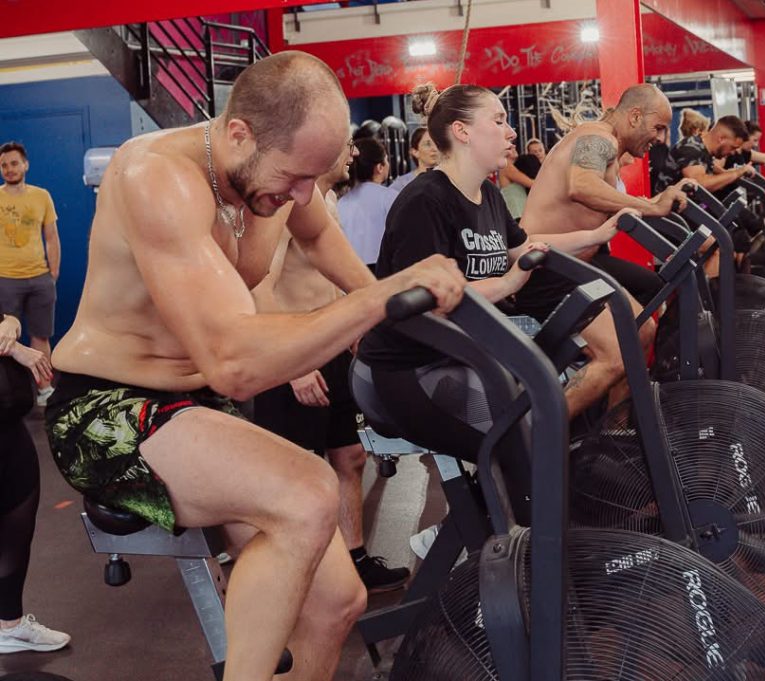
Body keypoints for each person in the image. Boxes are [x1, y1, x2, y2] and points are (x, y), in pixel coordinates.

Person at [43, 51, 466, 681]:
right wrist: (379, 297)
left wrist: (395, 314)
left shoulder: (276, 177)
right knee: (309, 490)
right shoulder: (158, 178)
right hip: (105, 410)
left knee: (337, 601)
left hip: (193, 408)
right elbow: (235, 365)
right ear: (238, 131)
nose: (304, 196)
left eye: (313, 181)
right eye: (296, 177)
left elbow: (320, 236)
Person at [357, 81, 637, 447]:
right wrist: (506, 284)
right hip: (410, 367)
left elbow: (524, 247)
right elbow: (427, 299)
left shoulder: (488, 193)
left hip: (463, 356)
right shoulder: (424, 200)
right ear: (462, 132)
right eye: (500, 121)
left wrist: (597, 235)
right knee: (519, 444)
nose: (512, 132)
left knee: (556, 426)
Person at [252, 147, 409, 594]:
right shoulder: (281, 209)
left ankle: (353, 558)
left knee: (350, 456)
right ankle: (302, 577)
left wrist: (355, 323)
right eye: (345, 144)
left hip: (333, 345)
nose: (355, 152)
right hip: (297, 354)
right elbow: (261, 288)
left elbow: (331, 274)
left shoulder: (327, 201)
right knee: (298, 474)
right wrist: (294, 364)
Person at [518, 84, 692, 413]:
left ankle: (613, 439)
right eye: (657, 128)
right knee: (614, 358)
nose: (658, 138)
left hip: (576, 266)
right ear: (635, 116)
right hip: (545, 270)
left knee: (642, 332)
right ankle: (531, 445)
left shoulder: (606, 144)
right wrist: (653, 206)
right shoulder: (599, 138)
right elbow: (581, 186)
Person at [0, 312, 68, 655]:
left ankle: (9, 626)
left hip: (10, 426)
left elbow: (4, 316)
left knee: (16, 528)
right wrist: (15, 350)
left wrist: (10, 325)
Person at [0, 142, 60, 405]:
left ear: (25, 165)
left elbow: (52, 237)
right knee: (5, 336)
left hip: (39, 278)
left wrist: (53, 273)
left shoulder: (41, 196)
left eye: (14, 163)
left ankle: (44, 389)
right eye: (4, 165)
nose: (9, 169)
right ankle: (8, 392)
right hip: (5, 279)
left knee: (40, 335)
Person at [337, 137, 398, 274]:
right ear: (380, 167)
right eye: (387, 160)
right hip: (385, 272)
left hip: (350, 272)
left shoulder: (341, 203)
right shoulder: (390, 197)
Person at [389, 128, 438, 194]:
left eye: (437, 143)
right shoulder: (402, 184)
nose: (434, 149)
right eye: (428, 144)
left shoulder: (449, 179)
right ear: (415, 152)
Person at [497, 144, 534, 221]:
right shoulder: (506, 166)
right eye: (510, 148)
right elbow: (531, 183)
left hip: (518, 211)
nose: (514, 147)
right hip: (516, 212)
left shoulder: (510, 166)